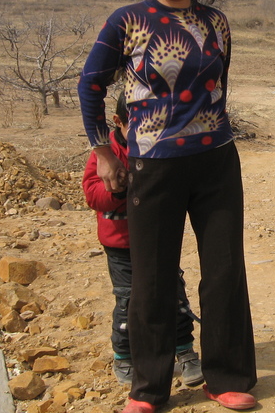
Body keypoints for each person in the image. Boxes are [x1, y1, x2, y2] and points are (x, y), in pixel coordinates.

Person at [79, 0, 257, 413]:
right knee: (152, 278)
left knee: (223, 271)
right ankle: (149, 388)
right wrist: (105, 152)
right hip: (152, 167)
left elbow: (218, 88)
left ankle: (226, 377)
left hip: (216, 162)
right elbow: (90, 87)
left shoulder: (216, 23)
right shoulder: (127, 21)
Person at [81, 93, 203, 388]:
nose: (142, 134)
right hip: (121, 245)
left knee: (173, 294)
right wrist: (116, 191)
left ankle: (183, 352)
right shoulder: (106, 155)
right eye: (134, 127)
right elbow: (92, 194)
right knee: (127, 300)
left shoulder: (158, 146)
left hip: (159, 237)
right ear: (118, 122)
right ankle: (124, 356)